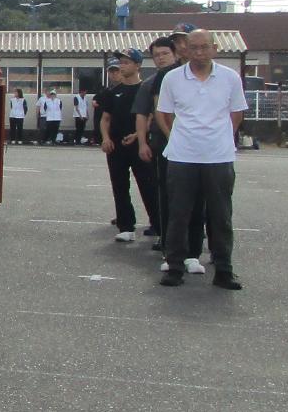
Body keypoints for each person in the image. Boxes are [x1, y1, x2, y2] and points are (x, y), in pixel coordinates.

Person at [155, 28, 246, 290]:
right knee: (179, 214)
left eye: (204, 47)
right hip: (182, 156)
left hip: (218, 156)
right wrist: (180, 138)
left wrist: (219, 137)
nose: (199, 52)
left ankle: (224, 269)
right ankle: (174, 266)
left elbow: (236, 114)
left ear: (214, 48)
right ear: (186, 50)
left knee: (220, 215)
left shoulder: (229, 78)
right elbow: (165, 114)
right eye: (193, 47)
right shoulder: (173, 78)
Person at [135, 33, 203, 271]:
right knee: (168, 195)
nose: (161, 59)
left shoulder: (202, 73)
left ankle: (195, 250)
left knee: (200, 197)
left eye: (165, 54)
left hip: (200, 145)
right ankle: (171, 246)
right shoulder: (159, 79)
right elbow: (155, 113)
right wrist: (147, 141)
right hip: (168, 144)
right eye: (156, 56)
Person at [96, 50, 155, 242]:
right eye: (121, 62)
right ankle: (126, 226)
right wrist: (105, 138)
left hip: (140, 145)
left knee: (148, 185)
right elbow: (105, 119)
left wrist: (138, 135)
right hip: (116, 147)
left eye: (127, 62)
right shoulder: (113, 93)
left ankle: (158, 224)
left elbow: (151, 118)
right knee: (119, 186)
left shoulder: (146, 90)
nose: (122, 66)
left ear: (138, 65)